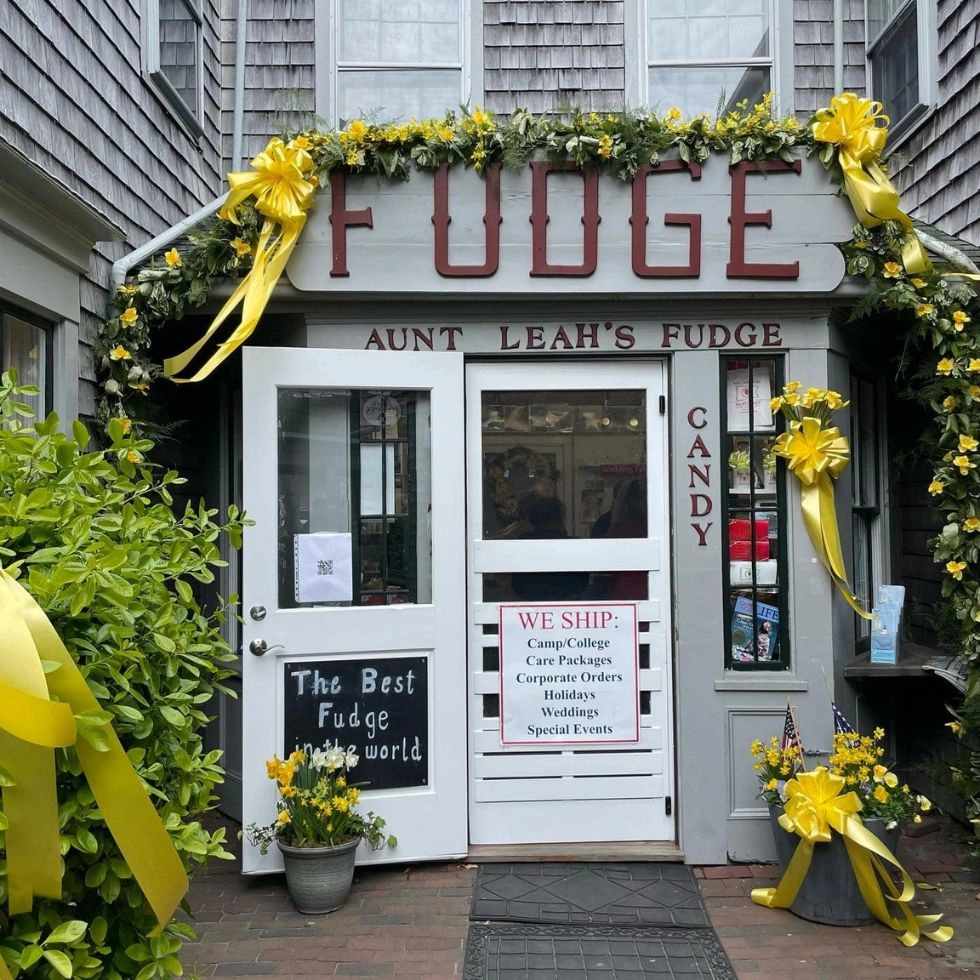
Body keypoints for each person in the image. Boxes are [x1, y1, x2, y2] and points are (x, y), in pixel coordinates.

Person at [510, 489, 589, 600]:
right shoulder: (575, 545)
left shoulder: (524, 542)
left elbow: (517, 584)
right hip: (569, 608)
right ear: (560, 517)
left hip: (530, 609)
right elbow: (581, 584)